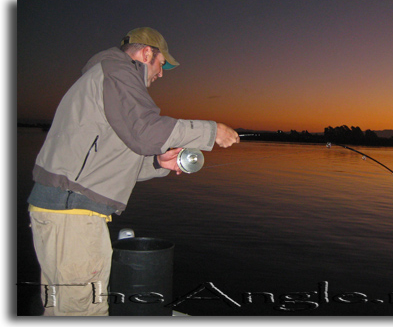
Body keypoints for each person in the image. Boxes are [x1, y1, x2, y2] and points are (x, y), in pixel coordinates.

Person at [26, 27, 239, 316]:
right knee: (83, 312)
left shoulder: (103, 79)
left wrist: (157, 162)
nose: (161, 73)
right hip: (73, 215)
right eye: (162, 64)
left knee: (59, 310)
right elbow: (145, 131)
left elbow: (112, 154)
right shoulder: (118, 71)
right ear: (146, 53)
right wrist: (211, 131)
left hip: (62, 211)